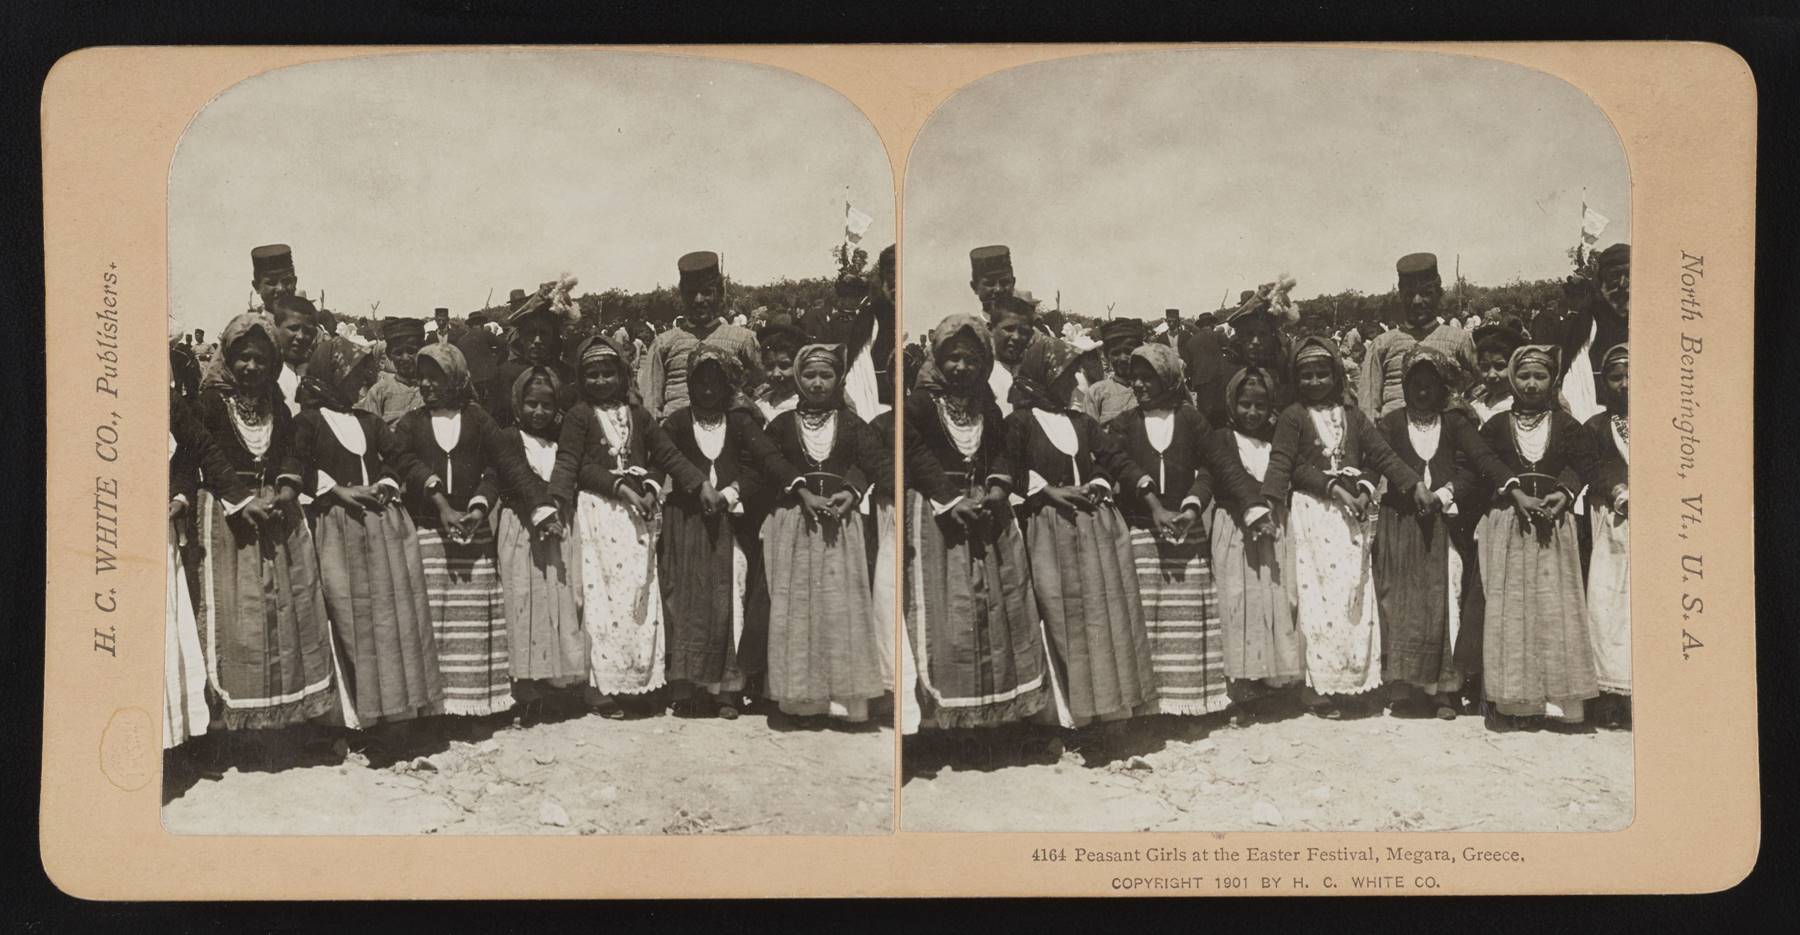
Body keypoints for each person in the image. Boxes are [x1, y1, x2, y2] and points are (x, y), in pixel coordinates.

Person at [1262, 335, 1428, 719]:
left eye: (1323, 373)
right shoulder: (1292, 416)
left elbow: (1381, 455)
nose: (1316, 382)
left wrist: (1412, 482)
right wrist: (1273, 502)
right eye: (1307, 375)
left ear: (1336, 374)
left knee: (1352, 594)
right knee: (1317, 600)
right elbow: (1285, 464)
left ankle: (1351, 680)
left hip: (1348, 520)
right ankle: (1317, 688)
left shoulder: (1352, 415)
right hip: (1312, 515)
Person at [285, 334, 440, 742]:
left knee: (390, 618)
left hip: (381, 525)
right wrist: (339, 490)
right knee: (349, 617)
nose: (361, 386)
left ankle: (395, 712)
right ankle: (356, 717)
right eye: (354, 376)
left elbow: (395, 458)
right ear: (331, 374)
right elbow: (297, 465)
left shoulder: (369, 421)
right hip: (337, 528)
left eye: (364, 377)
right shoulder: (308, 421)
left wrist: (387, 482)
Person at [903, 314, 1049, 729]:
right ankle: (945, 721)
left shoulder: (988, 404)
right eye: (952, 358)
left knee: (999, 609)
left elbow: (1002, 450)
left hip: (986, 513)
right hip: (940, 518)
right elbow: (915, 453)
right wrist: (950, 500)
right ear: (937, 358)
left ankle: (994, 715)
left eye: (970, 359)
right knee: (950, 614)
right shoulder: (919, 404)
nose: (961, 368)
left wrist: (998, 488)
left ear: (983, 362)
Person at [551, 334, 708, 713]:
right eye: (592, 375)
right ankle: (601, 686)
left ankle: (639, 679)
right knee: (601, 598)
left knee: (639, 593)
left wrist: (685, 484)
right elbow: (574, 464)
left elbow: (665, 454)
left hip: (636, 519)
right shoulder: (578, 415)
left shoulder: (639, 415)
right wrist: (567, 499)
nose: (601, 381)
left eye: (608, 373)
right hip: (598, 514)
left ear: (622, 375)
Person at [1006, 336, 1154, 736]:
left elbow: (1112, 457)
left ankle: (1110, 710)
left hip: (1093, 525)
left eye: (1074, 371)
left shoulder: (1081, 422)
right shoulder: (1019, 422)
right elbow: (1007, 466)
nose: (1073, 379)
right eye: (1065, 372)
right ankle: (1073, 717)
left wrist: (1104, 482)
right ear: (1044, 374)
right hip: (1049, 527)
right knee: (1061, 613)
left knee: (1102, 615)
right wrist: (1046, 490)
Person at [392, 344, 546, 718]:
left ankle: (471, 705)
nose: (426, 384)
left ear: (457, 377)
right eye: (422, 375)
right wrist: (440, 504)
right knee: (431, 621)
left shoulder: (477, 420)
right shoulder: (411, 423)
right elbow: (404, 462)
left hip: (473, 538)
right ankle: (433, 709)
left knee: (470, 625)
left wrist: (480, 506)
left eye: (436, 376)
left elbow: (502, 466)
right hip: (429, 533)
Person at [1475, 345, 1624, 732]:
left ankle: (1561, 705)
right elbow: (1483, 461)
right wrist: (1514, 493)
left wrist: (1565, 493)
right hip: (1512, 523)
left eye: (1540, 376)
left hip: (1554, 528)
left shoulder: (1568, 425)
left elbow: (1584, 462)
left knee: (1554, 608)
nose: (1531, 384)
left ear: (1552, 380)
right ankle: (1515, 703)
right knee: (1513, 609)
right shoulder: (1494, 425)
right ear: (1512, 379)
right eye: (1523, 376)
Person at [661, 343, 801, 718]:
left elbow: (760, 465)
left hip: (729, 524)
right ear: (690, 384)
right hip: (686, 523)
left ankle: (727, 690)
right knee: (688, 598)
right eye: (700, 382)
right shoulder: (676, 422)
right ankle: (689, 687)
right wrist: (691, 489)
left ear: (729, 385)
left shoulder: (740, 422)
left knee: (731, 593)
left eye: (716, 382)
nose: (708, 390)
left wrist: (730, 493)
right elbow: (665, 460)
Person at [1371, 348, 1512, 720]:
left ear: (1442, 386)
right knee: (1400, 600)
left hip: (1444, 525)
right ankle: (1402, 687)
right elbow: (1375, 459)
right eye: (1415, 384)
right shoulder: (1391, 421)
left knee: (1445, 598)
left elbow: (1476, 465)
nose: (1422, 391)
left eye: (1430, 384)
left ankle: (1441, 691)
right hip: (1400, 521)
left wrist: (1445, 494)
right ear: (1405, 385)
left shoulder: (1455, 423)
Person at [762, 344, 891, 723]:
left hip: (839, 524)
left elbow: (873, 461)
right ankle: (801, 700)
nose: (817, 384)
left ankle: (844, 703)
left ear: (837, 380)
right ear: (799, 380)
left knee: (840, 606)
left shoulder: (852, 423)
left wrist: (851, 491)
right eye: (809, 376)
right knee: (798, 605)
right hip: (796, 525)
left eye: (826, 376)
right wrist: (800, 492)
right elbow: (770, 461)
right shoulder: (782, 424)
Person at [1109, 343, 1231, 716]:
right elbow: (1120, 464)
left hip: (1185, 533)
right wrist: (1154, 507)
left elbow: (1212, 466)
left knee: (1185, 621)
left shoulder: (1190, 419)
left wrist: (1193, 506)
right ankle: (1148, 706)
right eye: (1136, 378)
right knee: (1147, 617)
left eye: (1150, 378)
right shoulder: (1125, 423)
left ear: (1169, 378)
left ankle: (1188, 702)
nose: (1141, 386)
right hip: (1144, 532)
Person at [168, 374, 262, 749]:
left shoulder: (169, 401)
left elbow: (195, 449)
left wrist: (180, 495)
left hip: (158, 521)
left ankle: (175, 737)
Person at [1204, 367, 1300, 719]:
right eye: (1245, 405)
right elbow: (1226, 478)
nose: (1252, 413)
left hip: (1273, 529)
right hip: (1236, 531)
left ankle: (1268, 678)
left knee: (1273, 599)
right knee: (1237, 601)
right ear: (1232, 403)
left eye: (1260, 405)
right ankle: (1239, 685)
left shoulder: (1277, 439)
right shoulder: (1222, 439)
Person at [493, 367, 586, 720]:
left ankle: (553, 682)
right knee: (523, 601)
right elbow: (512, 480)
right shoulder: (508, 438)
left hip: (559, 531)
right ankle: (524, 686)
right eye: (531, 404)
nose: (539, 413)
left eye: (547, 405)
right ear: (518, 404)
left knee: (557, 600)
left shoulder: (561, 441)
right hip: (521, 531)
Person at [636, 251, 760, 419]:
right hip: (674, 438)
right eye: (691, 293)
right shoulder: (663, 343)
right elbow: (649, 404)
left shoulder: (744, 340)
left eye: (707, 292)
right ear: (682, 295)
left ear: (720, 293)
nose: (699, 300)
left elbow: (764, 393)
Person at [1356, 253, 1479, 421]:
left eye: (1426, 293)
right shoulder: (1382, 344)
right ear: (1401, 297)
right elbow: (1367, 406)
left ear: (1439, 294)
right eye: (1409, 294)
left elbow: (1486, 384)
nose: (1417, 301)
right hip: (1393, 438)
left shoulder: (1459, 339)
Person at [1583, 343, 1631, 727]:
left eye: (1631, 374)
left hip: (1651, 523)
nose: (1626, 384)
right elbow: (1591, 467)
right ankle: (1609, 696)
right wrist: (1616, 488)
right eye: (1616, 377)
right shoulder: (1597, 426)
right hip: (1609, 526)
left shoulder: (1669, 420)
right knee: (1606, 606)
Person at [1536, 243, 1630, 423]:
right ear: (1601, 281)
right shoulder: (1581, 326)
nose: (1622, 284)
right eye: (1615, 276)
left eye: (1629, 275)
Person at [490, 291, 577, 427]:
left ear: (554, 338)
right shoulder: (506, 374)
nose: (537, 340)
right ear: (521, 338)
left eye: (544, 334)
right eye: (531, 334)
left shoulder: (565, 373)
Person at [357, 317, 426, 426]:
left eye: (411, 351)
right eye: (398, 353)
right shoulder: (379, 392)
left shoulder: (431, 390)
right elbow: (369, 432)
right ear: (389, 355)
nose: (405, 358)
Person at [987, 288, 1039, 417]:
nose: (1016, 337)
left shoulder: (1036, 373)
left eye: (1024, 332)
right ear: (990, 329)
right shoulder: (983, 374)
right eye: (1009, 329)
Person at [1467, 316, 1528, 424]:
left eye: (1499, 367)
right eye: (1485, 367)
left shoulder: (1519, 408)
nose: (1491, 375)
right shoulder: (1477, 402)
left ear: (1515, 367)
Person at [272, 294, 320, 416]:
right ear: (276, 328)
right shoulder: (267, 372)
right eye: (293, 328)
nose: (301, 336)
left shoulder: (317, 373)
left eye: (307, 331)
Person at [1088, 318, 1144, 424]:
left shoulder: (1151, 388)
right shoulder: (1097, 392)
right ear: (1106, 355)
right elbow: (1090, 434)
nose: (1122, 358)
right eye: (1115, 353)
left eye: (1128, 351)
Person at [753, 322, 806, 422]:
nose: (776, 373)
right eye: (770, 366)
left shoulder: (803, 405)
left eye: (784, 366)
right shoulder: (761, 402)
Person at [456, 310, 507, 406]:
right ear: (481, 323)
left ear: (469, 325)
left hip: (471, 382)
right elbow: (504, 345)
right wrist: (497, 361)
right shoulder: (486, 334)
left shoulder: (461, 341)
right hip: (489, 378)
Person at [968, 244, 1017, 317]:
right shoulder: (965, 328)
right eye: (990, 283)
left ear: (1013, 283)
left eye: (1004, 282)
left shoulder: (1034, 326)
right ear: (974, 287)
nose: (998, 289)